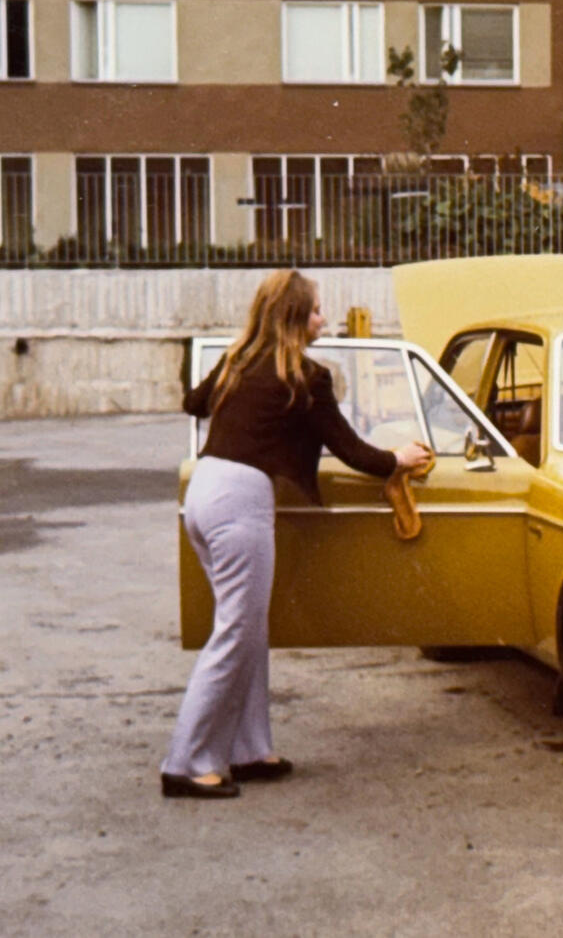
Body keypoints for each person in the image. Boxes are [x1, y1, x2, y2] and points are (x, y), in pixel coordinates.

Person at [161, 270, 429, 799]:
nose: (323, 320)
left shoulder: (239, 363)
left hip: (205, 493)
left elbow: (194, 402)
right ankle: (186, 761)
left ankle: (250, 749)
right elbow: (354, 452)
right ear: (293, 318)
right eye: (315, 311)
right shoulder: (305, 378)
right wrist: (399, 457)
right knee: (237, 632)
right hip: (241, 504)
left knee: (248, 628)